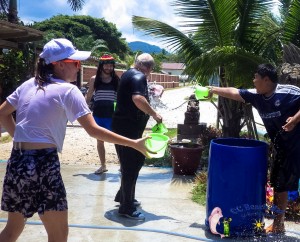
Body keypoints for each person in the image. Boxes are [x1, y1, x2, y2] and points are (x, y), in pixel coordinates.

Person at [0, 38, 151, 242]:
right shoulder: (68, 90)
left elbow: (2, 113)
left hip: (17, 162)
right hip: (44, 163)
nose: (79, 67)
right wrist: (134, 143)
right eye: (76, 63)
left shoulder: (29, 84)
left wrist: (19, 135)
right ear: (59, 64)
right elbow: (93, 130)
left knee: (12, 230)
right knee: (59, 235)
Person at [207, 63, 300, 234]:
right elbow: (235, 92)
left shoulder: (287, 92)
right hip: (282, 147)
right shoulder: (257, 96)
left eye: (256, 78)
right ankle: (279, 225)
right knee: (279, 184)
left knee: (281, 185)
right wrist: (213, 89)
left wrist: (294, 120)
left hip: (296, 145)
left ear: (266, 80)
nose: (253, 81)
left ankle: (279, 225)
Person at [112, 53, 162, 220]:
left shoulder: (128, 73)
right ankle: (126, 208)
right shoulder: (139, 76)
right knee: (131, 165)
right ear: (148, 68)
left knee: (131, 163)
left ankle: (124, 196)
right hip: (128, 129)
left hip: (124, 127)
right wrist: (154, 114)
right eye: (150, 70)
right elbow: (138, 98)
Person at [86, 54, 120, 174]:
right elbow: (89, 95)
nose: (109, 68)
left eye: (111, 65)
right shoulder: (94, 79)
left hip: (112, 116)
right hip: (98, 115)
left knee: (117, 140)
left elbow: (121, 98)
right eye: (106, 65)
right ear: (101, 65)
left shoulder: (116, 80)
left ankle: (122, 165)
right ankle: (103, 165)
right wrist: (83, 110)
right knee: (100, 141)